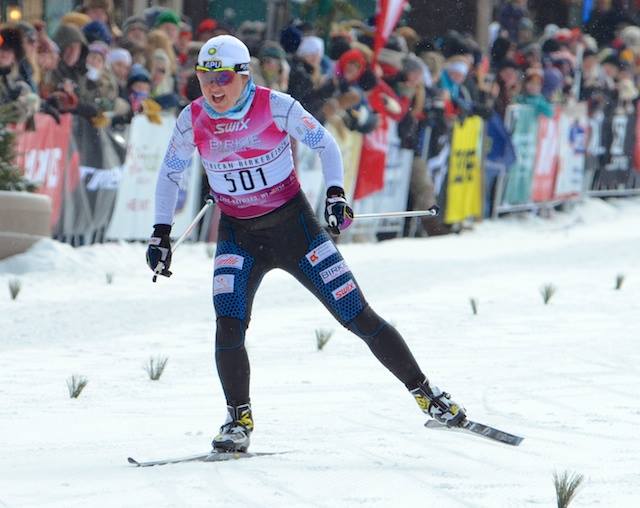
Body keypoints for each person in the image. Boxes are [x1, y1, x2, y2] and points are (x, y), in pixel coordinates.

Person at [145, 35, 466, 453]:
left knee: (357, 316)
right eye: (205, 77)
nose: (213, 87)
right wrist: (160, 233)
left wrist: (335, 194)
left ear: (244, 75)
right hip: (239, 235)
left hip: (296, 230)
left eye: (223, 76)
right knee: (228, 322)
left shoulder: (275, 105)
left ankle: (427, 393)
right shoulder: (193, 118)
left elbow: (326, 144)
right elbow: (170, 174)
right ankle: (238, 418)